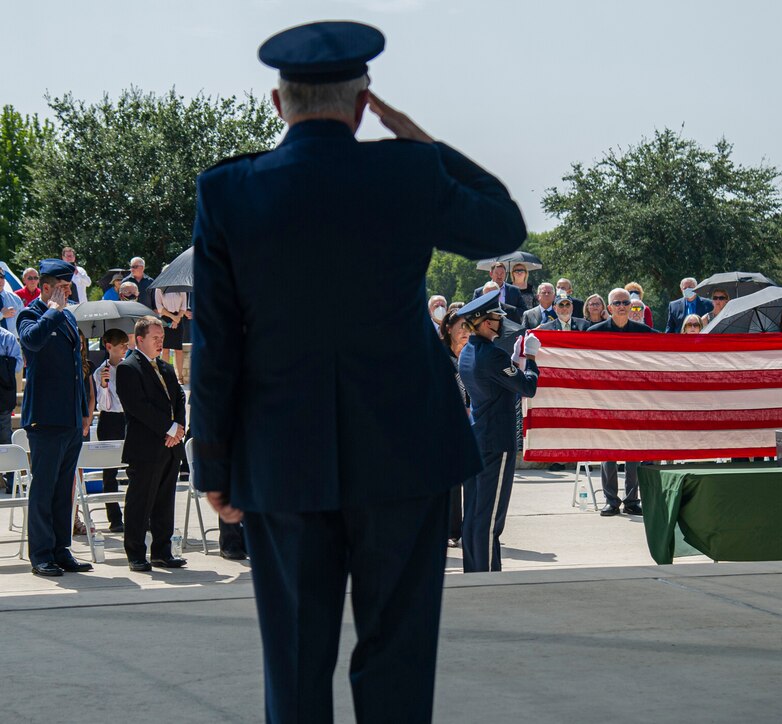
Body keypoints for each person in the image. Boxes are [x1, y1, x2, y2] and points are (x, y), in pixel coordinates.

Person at [189, 20, 526, 723]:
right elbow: (502, 227)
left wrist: (212, 461)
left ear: (278, 104)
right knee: (398, 658)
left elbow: (218, 342)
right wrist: (422, 141)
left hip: (282, 456)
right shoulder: (406, 171)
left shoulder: (228, 190)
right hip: (405, 450)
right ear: (362, 100)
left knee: (293, 657)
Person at [17, 259, 92, 577]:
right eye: (61, 288)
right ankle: (42, 554)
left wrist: (84, 413)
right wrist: (52, 310)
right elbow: (32, 341)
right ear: (45, 288)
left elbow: (77, 370)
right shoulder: (31, 315)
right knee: (44, 488)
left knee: (65, 489)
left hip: (70, 418)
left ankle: (62, 549)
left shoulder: (66, 318)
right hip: (45, 418)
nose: (66, 294)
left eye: (68, 289)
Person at [457, 291, 538, 572]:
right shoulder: (492, 355)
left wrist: (515, 363)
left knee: (474, 515)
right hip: (496, 442)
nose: (501, 323)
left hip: (478, 438)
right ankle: (488, 579)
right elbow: (527, 388)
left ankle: (474, 573)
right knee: (490, 520)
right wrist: (531, 359)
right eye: (496, 318)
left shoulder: (468, 350)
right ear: (483, 322)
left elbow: (499, 385)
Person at [115, 316, 187, 571]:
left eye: (162, 338)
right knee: (140, 502)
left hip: (171, 445)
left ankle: (162, 552)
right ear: (140, 339)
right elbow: (138, 406)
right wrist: (168, 428)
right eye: (155, 338)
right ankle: (136, 553)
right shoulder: (128, 368)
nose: (160, 343)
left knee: (165, 501)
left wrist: (179, 428)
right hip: (146, 447)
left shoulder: (165, 367)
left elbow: (178, 397)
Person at [589, 288, 657, 516]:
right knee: (608, 452)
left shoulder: (644, 332)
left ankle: (631, 501)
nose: (621, 306)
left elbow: (666, 351)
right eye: (617, 302)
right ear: (609, 308)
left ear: (631, 307)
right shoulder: (594, 333)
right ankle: (611, 500)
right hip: (606, 400)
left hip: (634, 400)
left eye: (626, 302)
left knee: (633, 453)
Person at [91, 328, 130, 532]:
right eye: (121, 344)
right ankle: (115, 518)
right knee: (110, 472)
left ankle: (137, 514)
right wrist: (105, 385)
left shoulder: (128, 367)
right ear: (109, 347)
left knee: (134, 468)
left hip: (127, 418)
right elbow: (103, 404)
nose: (125, 348)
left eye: (126, 344)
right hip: (109, 419)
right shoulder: (100, 372)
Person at [440, 309, 472, 547]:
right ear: (448, 328)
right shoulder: (439, 354)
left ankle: (457, 529)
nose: (464, 332)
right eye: (460, 327)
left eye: (467, 327)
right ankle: (448, 531)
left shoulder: (471, 353)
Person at [155, 281, 190, 384]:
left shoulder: (181, 288)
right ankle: (166, 375)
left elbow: (183, 307)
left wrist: (177, 319)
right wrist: (173, 318)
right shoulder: (159, 288)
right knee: (165, 349)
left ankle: (180, 377)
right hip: (165, 318)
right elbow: (159, 307)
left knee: (178, 349)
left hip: (179, 318)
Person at [0, 324, 20, 493]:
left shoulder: (7, 337)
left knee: (6, 439)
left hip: (2, 397)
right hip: (4, 396)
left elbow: (18, 365)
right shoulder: (8, 337)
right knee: (6, 438)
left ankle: (11, 483)